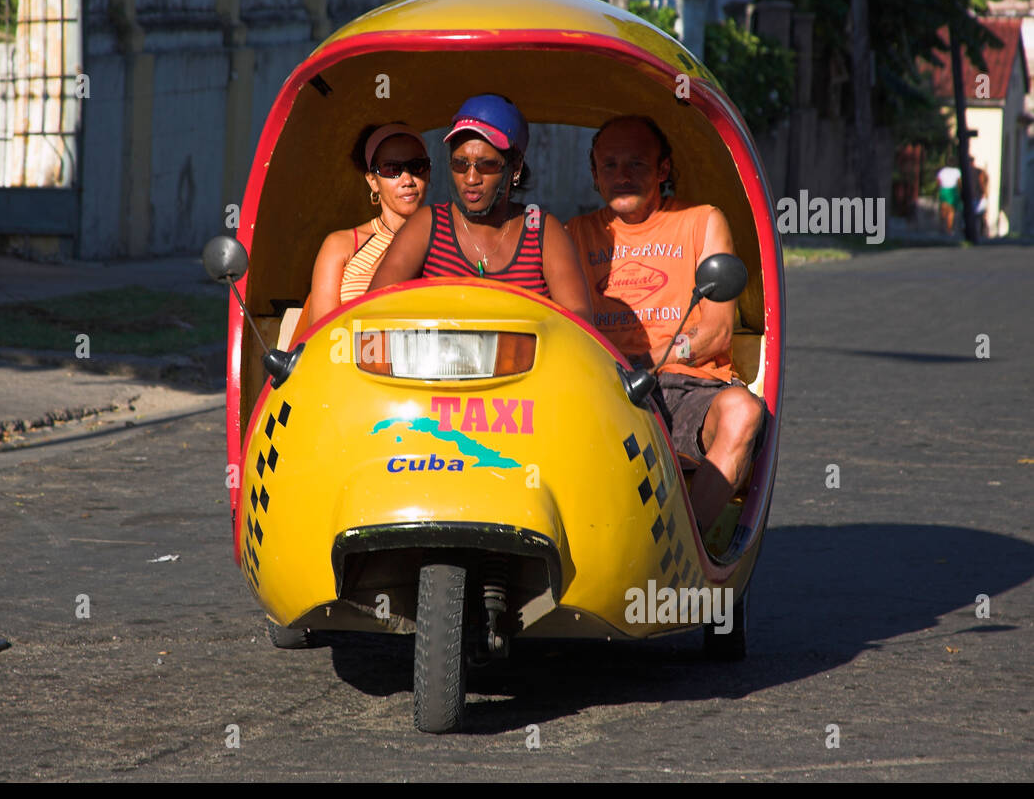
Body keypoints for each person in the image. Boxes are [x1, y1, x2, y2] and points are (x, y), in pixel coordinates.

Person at [565, 115, 764, 533]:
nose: (622, 176)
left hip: (685, 387)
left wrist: (650, 359)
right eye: (610, 166)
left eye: (636, 164)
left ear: (663, 171)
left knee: (743, 412)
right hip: (606, 388)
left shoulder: (703, 221)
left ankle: (682, 544)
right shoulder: (573, 235)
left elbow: (716, 331)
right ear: (594, 175)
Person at [369, 94, 591, 321]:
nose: (471, 178)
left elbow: (580, 322)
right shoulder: (427, 225)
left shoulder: (542, 231)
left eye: (487, 165)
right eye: (460, 163)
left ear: (515, 167)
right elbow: (373, 310)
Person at [303, 123, 432, 328]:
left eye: (417, 166)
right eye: (392, 169)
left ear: (429, 172)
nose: (407, 179)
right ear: (373, 181)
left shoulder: (445, 240)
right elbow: (321, 333)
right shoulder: (341, 245)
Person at [936, 164, 961, 234]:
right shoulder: (957, 171)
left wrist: (938, 189)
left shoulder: (942, 171)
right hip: (952, 191)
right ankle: (949, 229)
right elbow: (959, 182)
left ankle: (942, 227)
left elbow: (938, 181)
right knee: (951, 211)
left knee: (943, 210)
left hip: (943, 191)